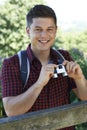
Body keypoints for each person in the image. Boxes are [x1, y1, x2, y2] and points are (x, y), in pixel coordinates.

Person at [1, 4, 87, 130]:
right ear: (28, 31)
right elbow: (11, 111)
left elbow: (84, 96)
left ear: (56, 30)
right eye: (38, 29)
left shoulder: (64, 58)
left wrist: (79, 78)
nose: (44, 35)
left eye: (49, 29)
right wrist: (39, 84)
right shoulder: (12, 64)